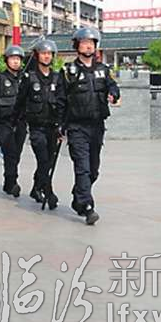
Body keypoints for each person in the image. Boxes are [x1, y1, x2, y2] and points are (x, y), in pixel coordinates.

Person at [57, 27, 120, 225]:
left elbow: (112, 86)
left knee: (93, 170)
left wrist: (114, 94)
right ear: (77, 46)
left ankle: (79, 196)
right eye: (84, 43)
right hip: (77, 127)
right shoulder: (68, 72)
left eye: (91, 43)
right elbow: (60, 100)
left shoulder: (103, 69)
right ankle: (87, 206)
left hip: (97, 126)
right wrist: (59, 126)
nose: (88, 46)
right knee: (82, 168)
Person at [13, 39, 63, 210]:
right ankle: (49, 192)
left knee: (48, 161)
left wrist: (63, 125)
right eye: (43, 53)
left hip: (53, 128)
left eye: (49, 54)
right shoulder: (29, 78)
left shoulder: (58, 78)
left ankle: (36, 188)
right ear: (37, 55)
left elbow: (63, 102)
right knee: (43, 159)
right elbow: (20, 102)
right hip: (36, 128)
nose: (46, 56)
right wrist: (14, 123)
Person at [0, 45, 27, 197]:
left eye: (18, 59)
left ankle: (9, 181)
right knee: (10, 154)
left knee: (16, 154)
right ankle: (12, 182)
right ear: (6, 60)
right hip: (5, 123)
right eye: (13, 58)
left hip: (20, 122)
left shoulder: (25, 78)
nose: (15, 62)